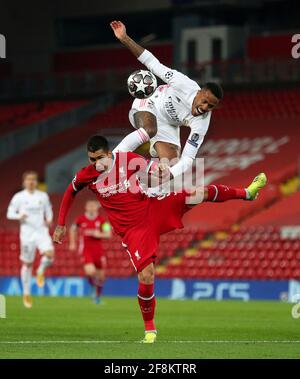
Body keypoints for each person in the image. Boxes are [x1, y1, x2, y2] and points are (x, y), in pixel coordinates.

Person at [53, 135, 267, 343]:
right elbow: (69, 193)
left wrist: (160, 169)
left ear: (110, 153)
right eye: (92, 159)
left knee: (198, 193)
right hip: (133, 230)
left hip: (153, 208)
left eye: (100, 158)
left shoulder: (127, 158)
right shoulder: (86, 175)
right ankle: (150, 329)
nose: (97, 163)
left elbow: (151, 169)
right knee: (146, 276)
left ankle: (247, 193)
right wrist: (61, 224)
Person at [110, 20, 223, 179]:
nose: (205, 107)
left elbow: (188, 159)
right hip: (150, 104)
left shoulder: (202, 123)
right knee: (150, 130)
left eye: (210, 106)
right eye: (205, 101)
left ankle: (145, 190)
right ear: (199, 92)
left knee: (171, 163)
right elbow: (152, 63)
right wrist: (125, 38)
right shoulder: (183, 83)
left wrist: (170, 174)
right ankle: (113, 158)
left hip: (168, 125)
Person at [7, 171, 54, 308]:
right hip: (27, 235)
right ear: (24, 182)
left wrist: (49, 219)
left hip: (41, 232)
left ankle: (40, 271)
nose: (31, 182)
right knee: (27, 264)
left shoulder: (43, 196)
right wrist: (19, 216)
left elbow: (48, 209)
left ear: (36, 182)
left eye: (33, 179)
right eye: (28, 179)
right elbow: (10, 213)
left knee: (50, 255)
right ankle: (26, 293)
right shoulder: (18, 197)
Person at [69, 200, 112, 304]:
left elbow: (109, 234)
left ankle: (97, 296)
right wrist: (72, 243)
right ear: (86, 207)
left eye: (93, 206)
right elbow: (72, 229)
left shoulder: (102, 220)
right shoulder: (80, 219)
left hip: (99, 251)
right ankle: (93, 286)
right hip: (85, 250)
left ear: (97, 208)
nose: (91, 208)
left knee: (101, 276)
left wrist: (99, 234)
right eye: (89, 206)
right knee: (91, 272)